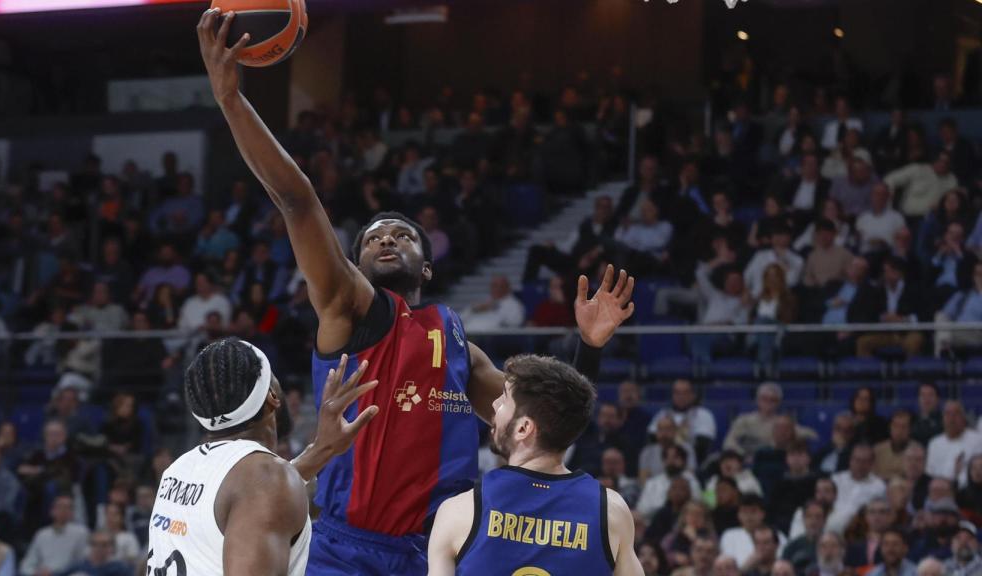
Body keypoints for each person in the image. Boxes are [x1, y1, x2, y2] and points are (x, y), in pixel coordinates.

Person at [199, 10, 636, 574]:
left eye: (402, 235)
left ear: (426, 267)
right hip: (345, 549)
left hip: (439, 548)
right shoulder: (350, 308)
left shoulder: (456, 342)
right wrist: (232, 101)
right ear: (352, 264)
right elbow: (298, 201)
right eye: (373, 236)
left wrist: (590, 346)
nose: (387, 238)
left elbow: (546, 422)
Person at [147, 335, 377, 575]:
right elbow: (260, 495)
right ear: (272, 396)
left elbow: (246, 502)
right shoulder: (266, 482)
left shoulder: (180, 468)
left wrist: (323, 449)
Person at [426, 355, 643, 575]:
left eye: (504, 398)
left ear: (523, 428)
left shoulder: (460, 510)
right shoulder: (612, 511)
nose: (494, 403)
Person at [19, 495, 90, 576]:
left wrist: (55, 573)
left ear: (72, 512)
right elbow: (28, 563)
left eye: (68, 507)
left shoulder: (81, 532)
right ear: (52, 511)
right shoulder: (42, 534)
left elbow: (82, 560)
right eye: (60, 507)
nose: (63, 511)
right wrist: (35, 572)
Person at [925, 401, 982, 483]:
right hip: (940, 490)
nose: (952, 418)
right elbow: (930, 474)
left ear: (963, 417)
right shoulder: (934, 443)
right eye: (947, 414)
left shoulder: (978, 440)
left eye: (956, 414)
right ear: (943, 418)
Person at [55, 531, 132, 576]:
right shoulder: (80, 565)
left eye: (104, 544)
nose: (99, 548)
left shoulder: (120, 567)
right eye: (95, 544)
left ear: (112, 548)